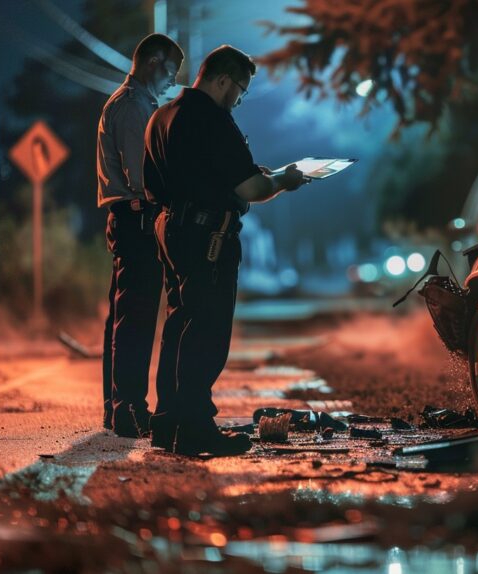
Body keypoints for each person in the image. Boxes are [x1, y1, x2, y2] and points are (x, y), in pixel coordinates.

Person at [144, 45, 307, 456]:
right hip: (208, 238)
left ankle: (168, 423)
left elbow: (165, 184)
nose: (239, 98)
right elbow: (250, 188)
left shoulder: (161, 117)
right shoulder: (213, 120)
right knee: (207, 332)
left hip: (170, 229)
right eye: (240, 89)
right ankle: (196, 427)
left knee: (179, 326)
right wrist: (284, 181)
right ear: (221, 80)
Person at [96, 34, 184, 437]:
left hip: (131, 218)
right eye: (169, 71)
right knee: (135, 319)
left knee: (124, 317)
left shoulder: (134, 103)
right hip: (137, 218)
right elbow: (141, 175)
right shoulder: (133, 108)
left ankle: (118, 409)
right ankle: (128, 410)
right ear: (152, 62)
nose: (171, 81)